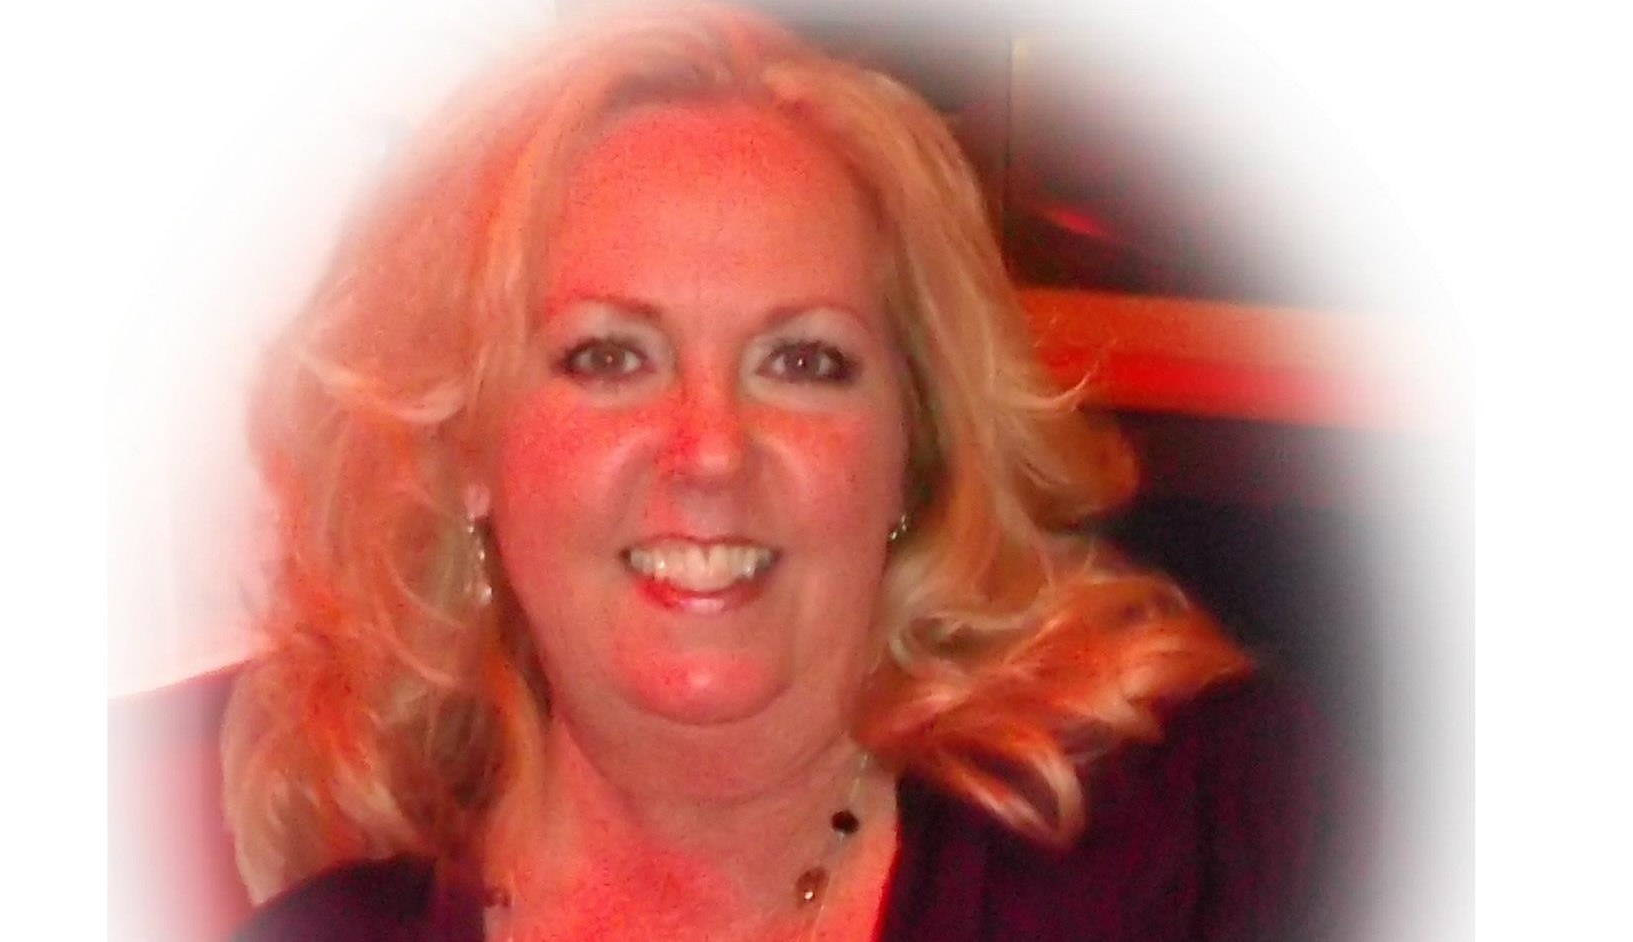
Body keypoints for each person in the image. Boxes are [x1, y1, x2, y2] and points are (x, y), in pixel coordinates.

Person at [221, 3, 1350, 940]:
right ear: (465, 444)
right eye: (609, 357)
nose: (711, 449)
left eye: (802, 362)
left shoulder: (1207, 839)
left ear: (915, 451)